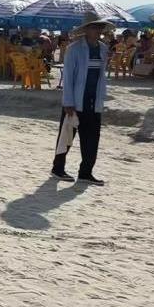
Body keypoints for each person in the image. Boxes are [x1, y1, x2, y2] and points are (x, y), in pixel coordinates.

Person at [51, 12, 112, 186]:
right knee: (66, 137)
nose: (97, 30)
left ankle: (86, 173)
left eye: (99, 27)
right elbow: (68, 78)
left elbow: (101, 76)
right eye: (94, 27)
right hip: (76, 101)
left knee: (92, 139)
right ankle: (58, 168)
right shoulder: (74, 49)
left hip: (94, 102)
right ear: (86, 29)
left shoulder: (102, 48)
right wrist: (68, 102)